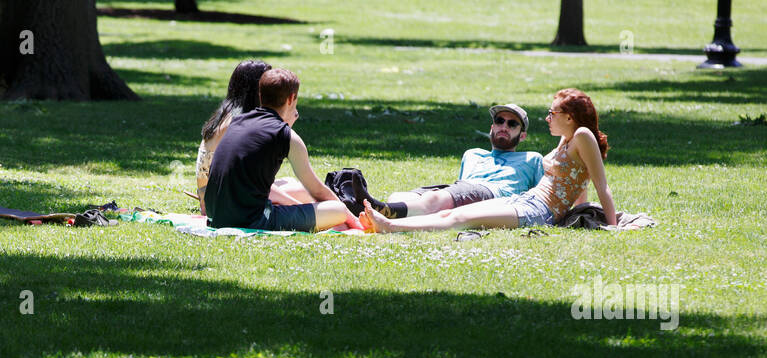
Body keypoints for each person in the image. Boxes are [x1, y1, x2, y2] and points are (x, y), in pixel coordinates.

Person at [363, 89, 617, 233]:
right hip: (525, 200)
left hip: (537, 211)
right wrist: (575, 212)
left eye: (552, 113)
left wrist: (613, 226)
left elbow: (600, 184)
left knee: (460, 220)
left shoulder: (583, 136)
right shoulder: (567, 139)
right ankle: (393, 223)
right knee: (453, 213)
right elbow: (578, 183)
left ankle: (390, 226)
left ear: (570, 117)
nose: (548, 118)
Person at [205, 68, 361, 233]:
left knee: (298, 191)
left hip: (216, 216)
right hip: (251, 220)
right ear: (292, 98)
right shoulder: (286, 136)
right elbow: (316, 190)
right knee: (338, 210)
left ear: (261, 95)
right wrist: (352, 217)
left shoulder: (237, 122)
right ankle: (357, 222)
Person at [380, 104, 544, 218]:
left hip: (494, 194)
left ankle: (382, 211)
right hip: (462, 190)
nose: (504, 126)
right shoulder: (473, 154)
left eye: (512, 124)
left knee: (433, 200)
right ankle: (380, 211)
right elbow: (461, 188)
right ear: (492, 127)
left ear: (522, 136)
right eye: (499, 121)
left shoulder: (532, 158)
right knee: (399, 196)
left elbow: (542, 198)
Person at [196, 60, 309, 216]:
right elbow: (252, 175)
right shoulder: (237, 122)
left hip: (217, 194)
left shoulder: (228, 115)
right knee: (303, 192)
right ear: (256, 90)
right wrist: (298, 205)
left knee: (292, 182)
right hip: (223, 199)